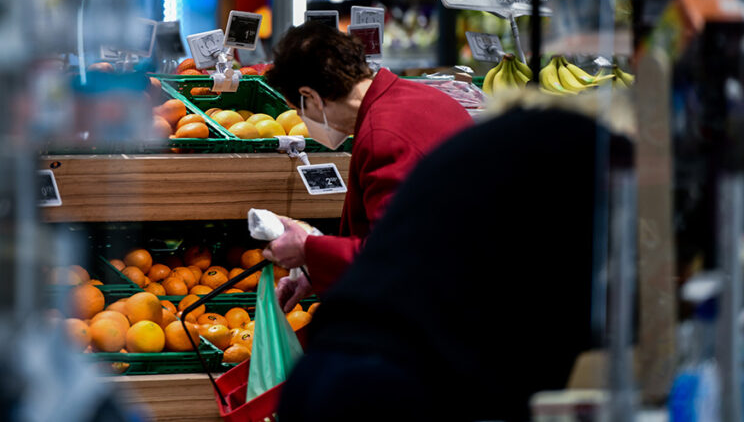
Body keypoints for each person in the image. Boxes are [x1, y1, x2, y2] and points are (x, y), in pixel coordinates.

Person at [277, 106, 633, 421]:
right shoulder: (586, 168)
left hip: (326, 368)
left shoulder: (508, 147)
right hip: (395, 385)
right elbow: (570, 309)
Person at [262, 23, 472, 308]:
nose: (303, 119)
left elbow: (395, 254)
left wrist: (308, 249)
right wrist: (317, 275)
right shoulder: (430, 98)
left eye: (300, 111)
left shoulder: (381, 135)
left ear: (310, 95)